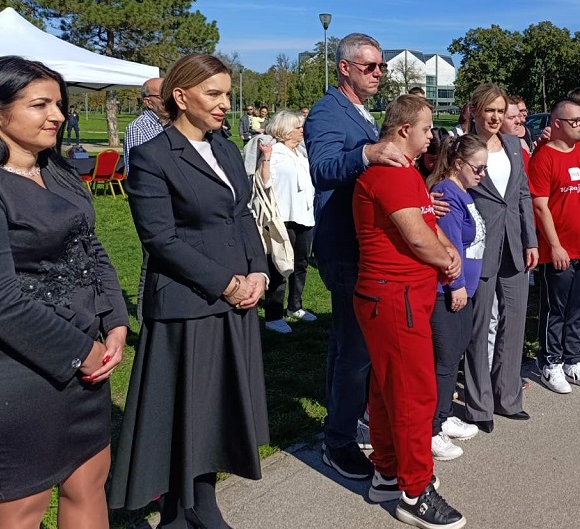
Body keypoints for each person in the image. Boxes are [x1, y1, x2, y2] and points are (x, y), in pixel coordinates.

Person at [110, 53, 270, 528]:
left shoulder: (223, 146)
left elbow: (242, 212)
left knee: (216, 410)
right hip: (190, 304)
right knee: (184, 412)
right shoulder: (153, 155)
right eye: (214, 94)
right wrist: (225, 283)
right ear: (181, 97)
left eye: (226, 93)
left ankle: (204, 501)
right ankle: (178, 511)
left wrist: (258, 273)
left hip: (236, 300)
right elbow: (159, 239)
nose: (225, 104)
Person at [0, 56, 128, 529]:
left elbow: (92, 250)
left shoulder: (60, 173)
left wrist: (116, 322)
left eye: (59, 104)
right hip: (16, 371)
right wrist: (79, 352)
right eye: (40, 104)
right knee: (22, 507)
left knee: (89, 481)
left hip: (88, 361)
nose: (58, 115)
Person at [351, 95, 466, 528]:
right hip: (394, 297)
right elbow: (418, 238)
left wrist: (448, 251)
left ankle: (386, 472)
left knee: (386, 390)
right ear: (404, 131)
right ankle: (416, 492)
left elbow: (428, 226)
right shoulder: (389, 176)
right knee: (414, 395)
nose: (431, 137)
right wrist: (444, 258)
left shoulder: (408, 174)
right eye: (426, 129)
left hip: (400, 296)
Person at [303, 32, 404, 480]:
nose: (379, 73)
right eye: (370, 66)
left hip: (364, 243)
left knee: (347, 344)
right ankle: (339, 439)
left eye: (381, 66)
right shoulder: (328, 111)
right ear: (344, 67)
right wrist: (368, 151)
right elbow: (323, 169)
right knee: (356, 348)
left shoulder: (361, 111)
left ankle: (342, 421)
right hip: (344, 245)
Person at [463, 83, 537, 433]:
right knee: (480, 328)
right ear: (475, 111)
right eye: (489, 110)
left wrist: (531, 240)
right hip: (478, 248)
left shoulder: (512, 144)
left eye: (500, 110)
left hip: (515, 244)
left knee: (514, 322)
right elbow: (445, 187)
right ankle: (480, 406)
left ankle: (508, 397)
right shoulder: (461, 148)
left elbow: (522, 195)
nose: (494, 117)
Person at [529, 100, 580, 392]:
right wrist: (555, 245)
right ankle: (551, 363)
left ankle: (573, 360)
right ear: (558, 124)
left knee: (579, 307)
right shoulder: (544, 157)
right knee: (556, 309)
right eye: (575, 121)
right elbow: (540, 204)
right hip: (559, 249)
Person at [426, 134, 488, 461]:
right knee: (445, 360)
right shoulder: (446, 193)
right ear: (459, 164)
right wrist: (456, 284)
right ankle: (431, 429)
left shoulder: (464, 191)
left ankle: (444, 413)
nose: (482, 175)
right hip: (447, 290)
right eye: (477, 168)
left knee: (454, 357)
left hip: (464, 289)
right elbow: (447, 246)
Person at [258, 110, 318, 334]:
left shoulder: (300, 154)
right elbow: (263, 182)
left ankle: (295, 306)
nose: (301, 130)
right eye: (297, 127)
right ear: (284, 130)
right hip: (283, 217)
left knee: (300, 264)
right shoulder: (275, 152)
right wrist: (265, 158)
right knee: (279, 266)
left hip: (304, 216)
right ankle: (273, 315)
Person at [123, 77, 169, 320]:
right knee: (151, 261)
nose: (170, 98)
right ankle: (145, 318)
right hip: (153, 207)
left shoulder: (174, 124)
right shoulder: (138, 128)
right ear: (148, 102)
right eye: (163, 95)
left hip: (177, 205)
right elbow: (137, 175)